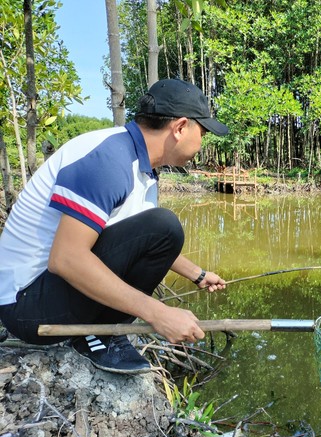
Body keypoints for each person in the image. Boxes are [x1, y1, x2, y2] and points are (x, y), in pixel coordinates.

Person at [0, 79, 229, 374]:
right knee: (165, 225)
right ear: (181, 127)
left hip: (45, 293)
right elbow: (66, 259)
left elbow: (141, 241)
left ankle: (101, 332)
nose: (203, 141)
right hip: (26, 308)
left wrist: (198, 275)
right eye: (203, 131)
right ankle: (99, 336)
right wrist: (157, 313)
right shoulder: (109, 161)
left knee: (164, 230)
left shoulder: (140, 165)